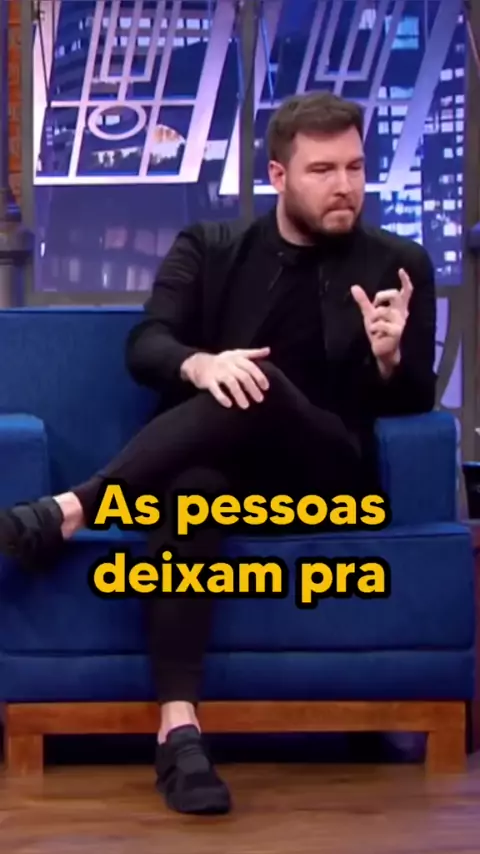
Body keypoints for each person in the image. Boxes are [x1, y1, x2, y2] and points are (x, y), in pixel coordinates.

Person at [0, 91, 436, 815]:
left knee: (258, 380)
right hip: (225, 477)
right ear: (278, 175)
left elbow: (415, 402)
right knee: (192, 490)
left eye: (356, 167)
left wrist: (390, 360)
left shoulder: (397, 264)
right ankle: (180, 734)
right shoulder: (213, 248)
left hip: (326, 478)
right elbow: (147, 344)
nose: (345, 186)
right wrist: (201, 365)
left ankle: (71, 509)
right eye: (323, 170)